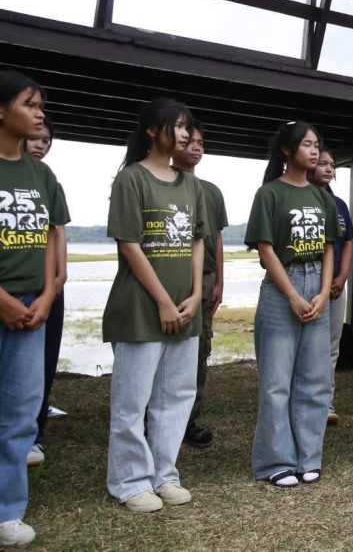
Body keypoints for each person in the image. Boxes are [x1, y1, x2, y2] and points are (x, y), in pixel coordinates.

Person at [103, 98, 207, 512]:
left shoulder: (191, 185)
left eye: (187, 127)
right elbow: (130, 244)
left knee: (177, 395)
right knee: (132, 401)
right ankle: (129, 482)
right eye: (177, 126)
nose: (185, 134)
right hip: (141, 308)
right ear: (151, 130)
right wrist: (163, 301)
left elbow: (197, 240)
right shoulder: (131, 179)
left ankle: (164, 474)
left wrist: (195, 294)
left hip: (186, 307)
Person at [246, 122, 337, 487]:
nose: (314, 151)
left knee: (315, 379)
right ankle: (275, 461)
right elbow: (266, 249)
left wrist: (323, 292)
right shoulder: (269, 193)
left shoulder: (321, 196)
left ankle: (308, 457)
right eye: (306, 145)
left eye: (317, 145)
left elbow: (329, 246)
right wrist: (293, 295)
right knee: (276, 381)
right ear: (287, 150)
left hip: (317, 283)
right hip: (282, 285)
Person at [0, 71, 65, 547]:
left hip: (31, 307)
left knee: (22, 412)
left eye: (41, 105)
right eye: (30, 104)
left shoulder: (41, 175)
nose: (39, 114)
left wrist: (46, 293)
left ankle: (7, 512)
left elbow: (46, 236)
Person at [170, 123, 228, 450]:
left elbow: (216, 238)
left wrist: (219, 280)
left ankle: (188, 420)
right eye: (189, 141)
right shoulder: (156, 181)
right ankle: (154, 419)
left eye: (201, 143)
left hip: (205, 281)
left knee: (199, 350)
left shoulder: (212, 191)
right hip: (169, 277)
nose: (196, 147)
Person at [22, 115, 69, 468]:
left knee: (43, 363)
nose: (42, 144)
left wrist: (57, 279)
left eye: (47, 141)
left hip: (48, 287)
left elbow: (57, 230)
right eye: (38, 138)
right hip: (14, 287)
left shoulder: (47, 179)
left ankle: (34, 434)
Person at [308, 146, 353, 425]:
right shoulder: (301, 198)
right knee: (308, 347)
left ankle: (325, 403)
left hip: (337, 286)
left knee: (331, 347)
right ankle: (305, 401)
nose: (328, 168)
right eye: (322, 163)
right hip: (310, 283)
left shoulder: (339, 205)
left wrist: (342, 277)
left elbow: (348, 241)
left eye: (331, 164)